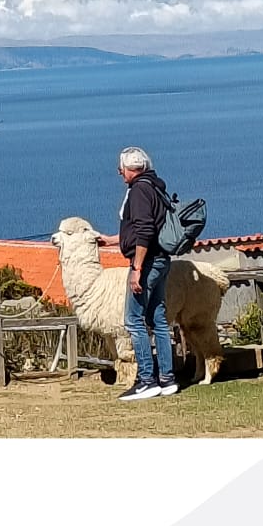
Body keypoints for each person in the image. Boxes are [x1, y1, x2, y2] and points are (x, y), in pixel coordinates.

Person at [97, 146, 178, 401]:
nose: (120, 174)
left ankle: (146, 380)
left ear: (128, 169)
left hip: (146, 263)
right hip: (162, 260)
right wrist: (112, 241)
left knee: (133, 320)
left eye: (121, 169)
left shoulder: (139, 191)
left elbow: (143, 231)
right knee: (159, 320)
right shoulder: (155, 187)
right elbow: (147, 228)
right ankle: (167, 378)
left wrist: (136, 269)